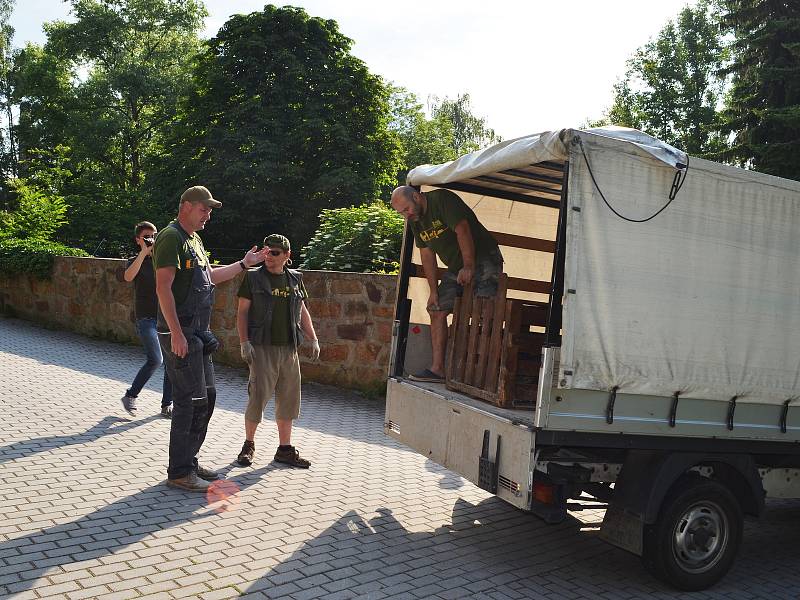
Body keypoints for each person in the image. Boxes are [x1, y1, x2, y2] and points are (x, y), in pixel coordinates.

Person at [154, 185, 268, 492]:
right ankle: (179, 471)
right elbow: (163, 288)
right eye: (204, 209)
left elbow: (210, 277)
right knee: (188, 402)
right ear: (187, 206)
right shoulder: (170, 237)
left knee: (207, 397)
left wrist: (244, 264)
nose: (208, 216)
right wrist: (176, 333)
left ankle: (188, 461)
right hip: (181, 332)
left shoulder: (195, 239)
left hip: (198, 333)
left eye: (209, 211)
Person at [390, 185, 503, 383]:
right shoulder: (415, 220)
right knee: (436, 309)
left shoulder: (442, 200)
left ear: (416, 197)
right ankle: (438, 369)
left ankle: (487, 375)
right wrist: (433, 291)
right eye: (401, 213)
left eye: (406, 209)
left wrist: (469, 266)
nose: (405, 216)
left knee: (486, 312)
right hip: (457, 265)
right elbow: (427, 255)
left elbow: (463, 231)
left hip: (484, 257)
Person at [235, 233, 320, 469]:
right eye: (265, 251)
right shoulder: (253, 278)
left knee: (289, 400)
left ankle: (284, 449)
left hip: (289, 348)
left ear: (287, 255)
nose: (268, 256)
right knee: (258, 396)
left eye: (274, 253)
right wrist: (244, 342)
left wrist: (312, 338)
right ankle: (248, 444)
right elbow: (242, 312)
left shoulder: (295, 279)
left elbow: (302, 310)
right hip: (262, 347)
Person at [120, 221, 173, 418]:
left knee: (171, 362)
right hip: (146, 319)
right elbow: (127, 277)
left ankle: (167, 404)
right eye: (147, 236)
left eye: (155, 235)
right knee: (156, 359)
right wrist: (144, 252)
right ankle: (130, 395)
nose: (152, 239)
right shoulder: (135, 260)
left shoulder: (164, 260)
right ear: (138, 240)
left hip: (165, 318)